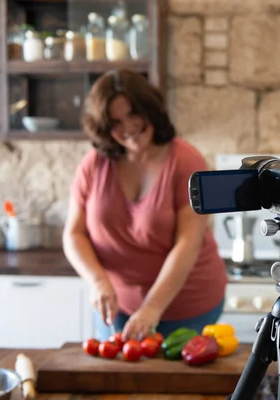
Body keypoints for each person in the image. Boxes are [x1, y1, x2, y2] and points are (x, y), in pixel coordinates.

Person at [62, 68, 228, 342]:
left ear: (150, 109)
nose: (128, 128)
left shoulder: (186, 161)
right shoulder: (94, 163)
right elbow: (73, 234)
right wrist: (98, 282)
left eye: (133, 114)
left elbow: (189, 242)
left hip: (186, 305)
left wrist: (152, 307)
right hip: (116, 306)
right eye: (115, 122)